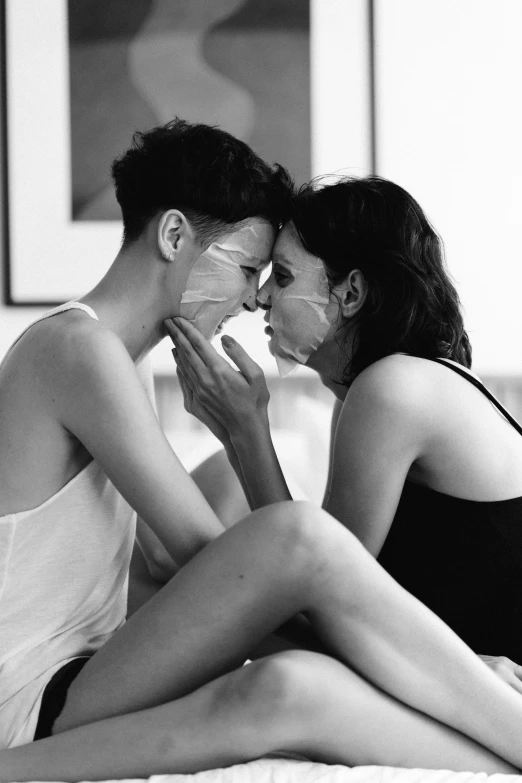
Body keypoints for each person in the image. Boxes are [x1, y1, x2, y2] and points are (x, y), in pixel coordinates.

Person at [1, 131, 522, 781]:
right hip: (37, 690)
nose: (255, 298)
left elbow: (197, 568)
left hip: (77, 675)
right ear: (172, 237)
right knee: (294, 536)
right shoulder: (81, 348)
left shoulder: (111, 361)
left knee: (285, 609)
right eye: (251, 269)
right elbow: (217, 562)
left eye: (273, 277)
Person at [170, 175, 522, 688]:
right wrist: (238, 436)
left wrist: (247, 430)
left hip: (497, 688)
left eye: (284, 277)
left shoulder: (393, 388)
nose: (262, 297)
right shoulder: (379, 388)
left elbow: (316, 587)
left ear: (351, 292)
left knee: (184, 574)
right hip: (462, 674)